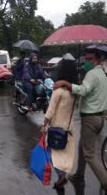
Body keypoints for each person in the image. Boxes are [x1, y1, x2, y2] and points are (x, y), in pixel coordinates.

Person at [54, 49, 107, 193]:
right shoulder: (103, 73)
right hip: (99, 117)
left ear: (97, 58)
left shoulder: (92, 74)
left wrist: (65, 83)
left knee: (89, 154)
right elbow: (94, 93)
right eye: (86, 58)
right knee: (81, 147)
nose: (87, 62)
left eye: (90, 59)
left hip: (90, 118)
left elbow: (83, 90)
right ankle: (79, 175)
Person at [42, 57, 78, 189]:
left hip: (56, 127)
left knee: (52, 153)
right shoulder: (74, 91)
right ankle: (61, 178)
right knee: (65, 154)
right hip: (69, 128)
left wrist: (44, 125)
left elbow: (50, 111)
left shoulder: (58, 91)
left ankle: (61, 177)